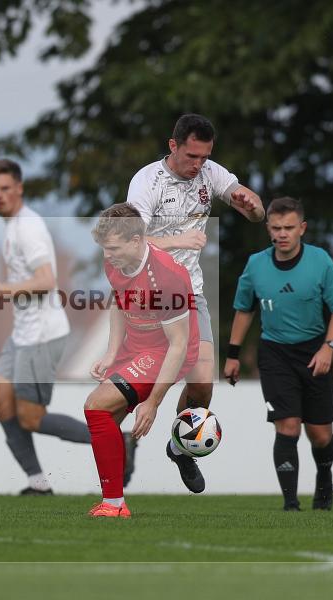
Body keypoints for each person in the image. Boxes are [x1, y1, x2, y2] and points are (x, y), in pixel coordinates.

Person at [126, 113, 265, 493]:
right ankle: (126, 440)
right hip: (148, 294)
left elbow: (255, 213)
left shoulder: (209, 174)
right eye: (192, 157)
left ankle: (179, 449)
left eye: (205, 157)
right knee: (137, 386)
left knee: (203, 386)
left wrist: (251, 204)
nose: (198, 165)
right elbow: (129, 241)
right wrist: (178, 241)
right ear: (173, 147)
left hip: (189, 294)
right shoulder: (146, 182)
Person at [0, 158, 109, 496]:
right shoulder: (12, 226)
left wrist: (2, 291)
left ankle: (117, 440)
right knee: (1, 405)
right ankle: (37, 483)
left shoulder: (29, 227)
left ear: (19, 189)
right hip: (22, 333)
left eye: (5, 189)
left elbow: (46, 281)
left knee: (31, 418)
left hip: (41, 335)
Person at [223, 197, 333, 511]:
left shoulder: (320, 262)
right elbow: (244, 310)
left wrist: (328, 348)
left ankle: (324, 478)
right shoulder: (256, 265)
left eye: (289, 228)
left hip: (314, 350)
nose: (282, 234)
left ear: (302, 228)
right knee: (288, 425)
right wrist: (233, 355)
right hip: (274, 353)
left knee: (320, 435)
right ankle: (290, 505)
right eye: (276, 228)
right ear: (268, 229)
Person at [84, 203, 199, 518]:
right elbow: (119, 302)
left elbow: (177, 345)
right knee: (104, 420)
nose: (108, 256)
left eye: (114, 248)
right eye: (105, 249)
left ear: (137, 241)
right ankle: (115, 499)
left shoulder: (167, 277)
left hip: (166, 351)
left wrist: (154, 402)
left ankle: (114, 505)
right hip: (136, 346)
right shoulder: (115, 262)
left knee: (95, 405)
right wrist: (111, 353)